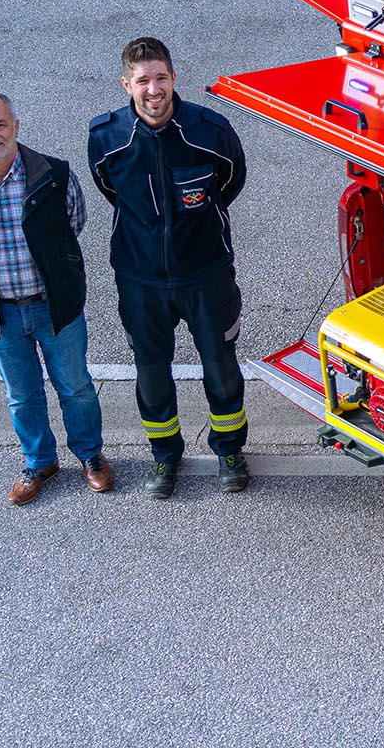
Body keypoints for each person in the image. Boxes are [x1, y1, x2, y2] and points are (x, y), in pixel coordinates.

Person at [88, 37, 250, 500]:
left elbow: (230, 180)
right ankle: (164, 454)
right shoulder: (105, 138)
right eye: (143, 80)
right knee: (151, 371)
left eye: (161, 78)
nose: (153, 89)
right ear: (127, 85)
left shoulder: (210, 131)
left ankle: (229, 450)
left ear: (174, 78)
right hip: (140, 281)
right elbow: (108, 188)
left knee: (220, 365)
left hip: (206, 275)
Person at [0, 92, 112, 505]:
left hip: (55, 306)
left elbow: (75, 225)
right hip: (0, 315)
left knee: (76, 388)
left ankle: (90, 456)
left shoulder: (54, 175)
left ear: (16, 126)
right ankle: (40, 462)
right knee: (22, 394)